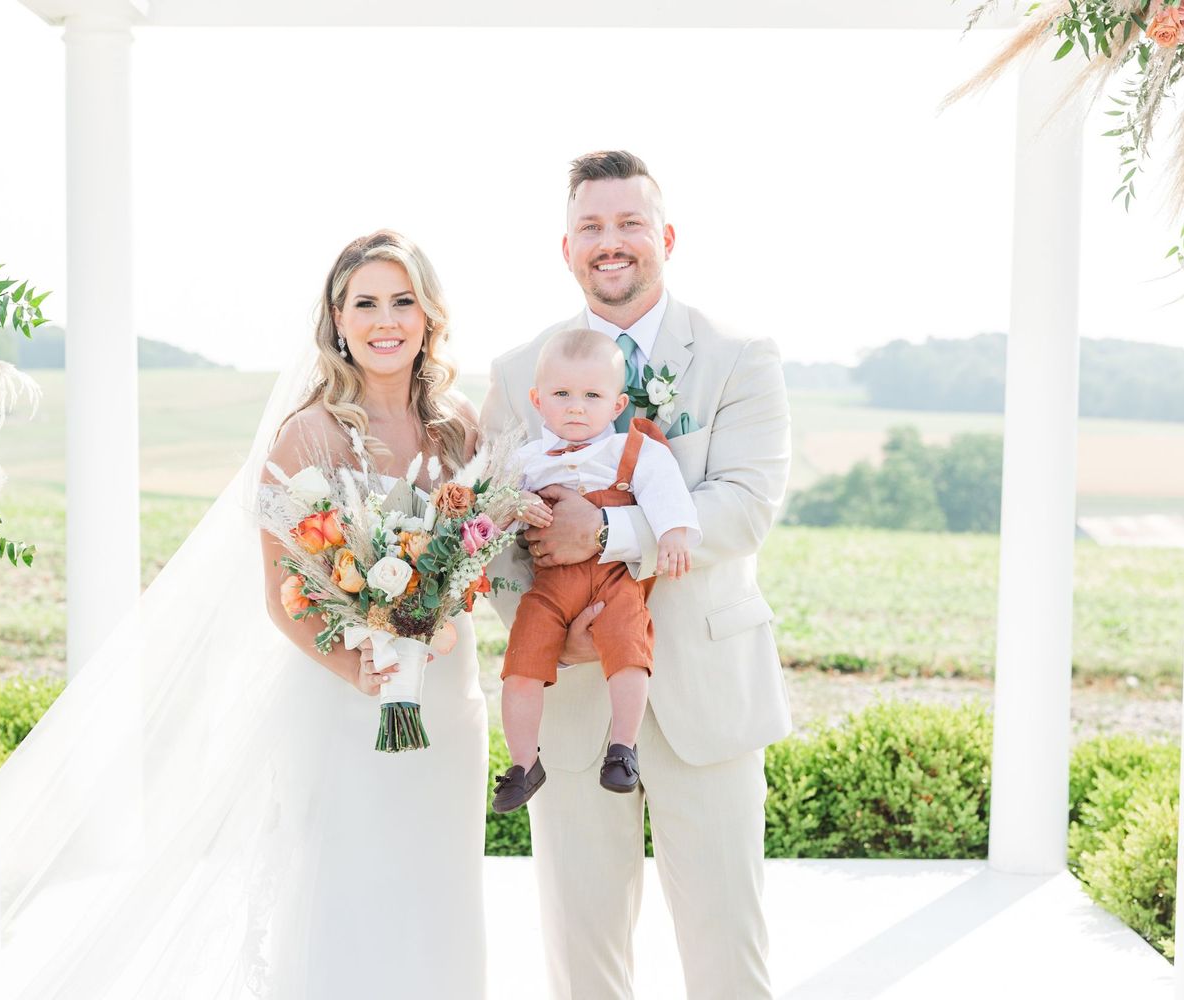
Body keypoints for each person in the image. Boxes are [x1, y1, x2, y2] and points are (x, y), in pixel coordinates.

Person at [481, 151, 793, 1000]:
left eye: (629, 223)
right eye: (591, 226)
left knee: (728, 949)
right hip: (575, 695)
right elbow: (492, 531)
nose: (609, 241)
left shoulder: (740, 356)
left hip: (706, 690)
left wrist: (609, 530)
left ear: (667, 237)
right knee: (583, 954)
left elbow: (745, 505)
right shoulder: (516, 374)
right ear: (567, 248)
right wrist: (553, 635)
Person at [257, 230, 488, 999]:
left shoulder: (459, 426)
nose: (385, 320)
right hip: (351, 699)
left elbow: (484, 555)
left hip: (449, 695)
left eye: (402, 301)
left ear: (428, 317)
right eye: (366, 304)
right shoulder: (307, 433)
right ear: (338, 318)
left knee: (442, 889)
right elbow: (281, 593)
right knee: (355, 891)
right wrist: (353, 669)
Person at [492, 328, 699, 814]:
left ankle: (622, 748)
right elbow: (490, 515)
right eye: (562, 395)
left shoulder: (633, 450)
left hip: (615, 576)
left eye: (592, 396)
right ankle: (523, 763)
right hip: (552, 583)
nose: (576, 408)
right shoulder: (524, 460)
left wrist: (673, 532)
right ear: (538, 400)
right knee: (522, 662)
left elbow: (666, 491)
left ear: (617, 404)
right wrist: (515, 503)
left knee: (628, 648)